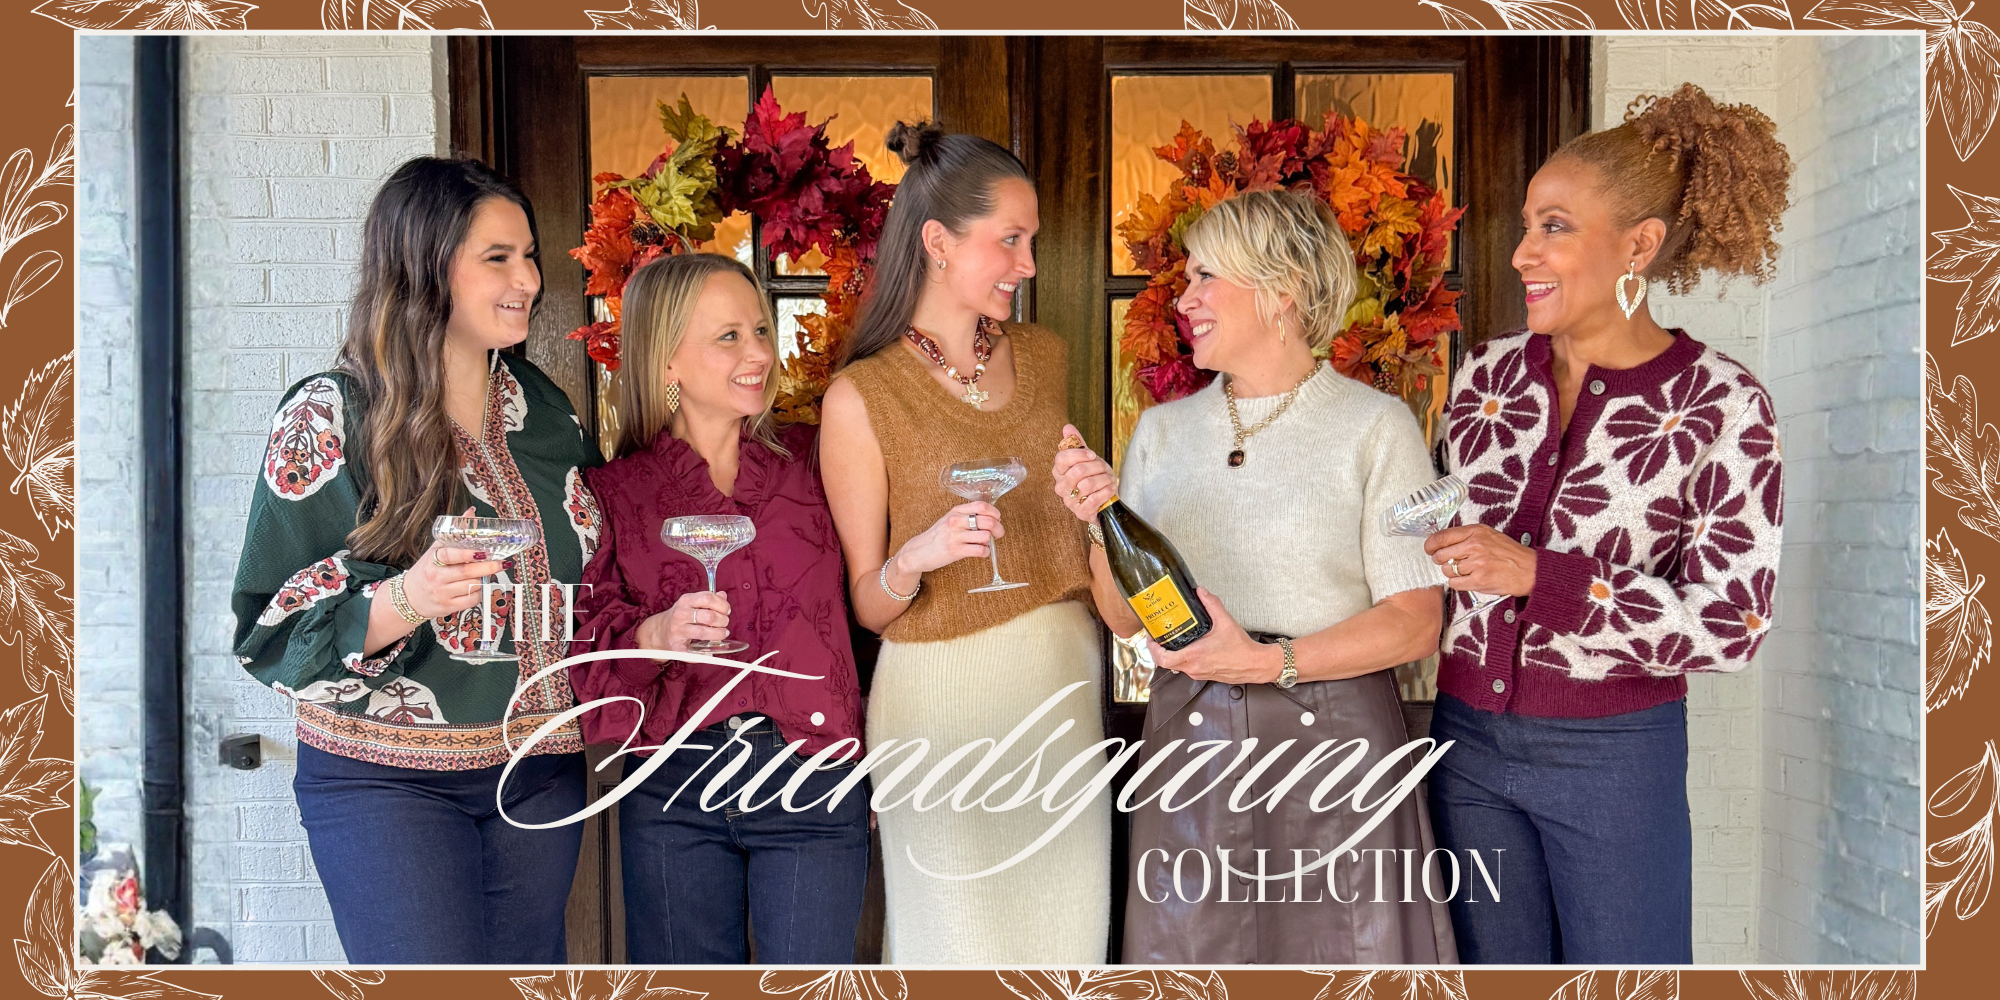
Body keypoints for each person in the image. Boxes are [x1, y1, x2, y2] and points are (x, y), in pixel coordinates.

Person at [1422, 82, 1790, 963]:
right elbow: (1434, 520)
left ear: (1641, 245)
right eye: (1525, 225)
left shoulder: (1722, 403)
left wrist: (1534, 575)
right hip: (1464, 743)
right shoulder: (1484, 375)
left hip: (1613, 759)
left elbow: (1731, 626)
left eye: (1554, 226)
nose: (1520, 253)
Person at [1054, 188, 1458, 964]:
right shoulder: (1162, 432)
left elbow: (1414, 621)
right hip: (1192, 734)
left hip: (1334, 735)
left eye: (1208, 277)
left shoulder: (1376, 426)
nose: (1186, 297)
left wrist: (1267, 663)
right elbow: (1126, 616)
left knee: (1345, 958)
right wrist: (1097, 518)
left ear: (1282, 291)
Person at [231, 157, 600, 963]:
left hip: (539, 773)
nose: (528, 278)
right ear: (425, 267)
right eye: (497, 257)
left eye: (529, 254)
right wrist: (413, 593)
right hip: (383, 783)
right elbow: (270, 629)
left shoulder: (545, 409)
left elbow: (586, 580)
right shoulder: (331, 413)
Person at [817, 120, 1110, 963]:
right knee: (951, 949)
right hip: (937, 708)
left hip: (1059, 692)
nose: (1027, 263)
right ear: (939, 242)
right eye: (1010, 240)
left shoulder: (1047, 358)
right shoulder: (860, 397)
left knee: (1066, 952)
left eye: (1031, 242)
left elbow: (1080, 539)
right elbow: (868, 604)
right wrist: (917, 557)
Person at [569, 252, 868, 964]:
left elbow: (873, 608)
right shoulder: (614, 492)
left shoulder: (819, 463)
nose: (759, 353)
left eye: (760, 330)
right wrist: (657, 631)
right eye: (728, 336)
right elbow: (586, 656)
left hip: (815, 778)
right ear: (666, 361)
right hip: (675, 785)